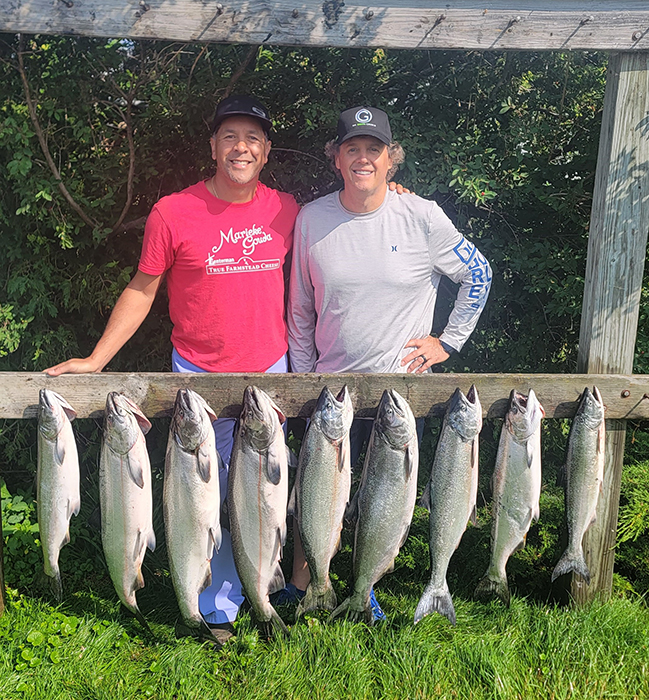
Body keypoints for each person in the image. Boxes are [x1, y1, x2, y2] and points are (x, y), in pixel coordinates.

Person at [45, 95, 300, 646]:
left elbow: (332, 246)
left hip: (271, 375)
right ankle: (215, 605)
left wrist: (386, 191)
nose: (241, 147)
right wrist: (95, 361)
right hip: (199, 382)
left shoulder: (287, 210)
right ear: (212, 146)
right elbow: (143, 289)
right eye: (230, 136)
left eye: (253, 138)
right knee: (206, 498)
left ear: (267, 151)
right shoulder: (174, 211)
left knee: (264, 495)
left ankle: (262, 586)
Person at [286, 105, 492, 617]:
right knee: (317, 496)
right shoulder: (312, 218)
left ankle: (365, 589)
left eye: (373, 149)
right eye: (351, 148)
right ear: (336, 159)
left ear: (390, 159)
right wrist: (306, 376)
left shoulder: (421, 216)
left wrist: (448, 341)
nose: (362, 158)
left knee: (382, 500)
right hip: (331, 392)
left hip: (401, 393)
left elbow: (479, 274)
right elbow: (300, 307)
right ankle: (302, 588)